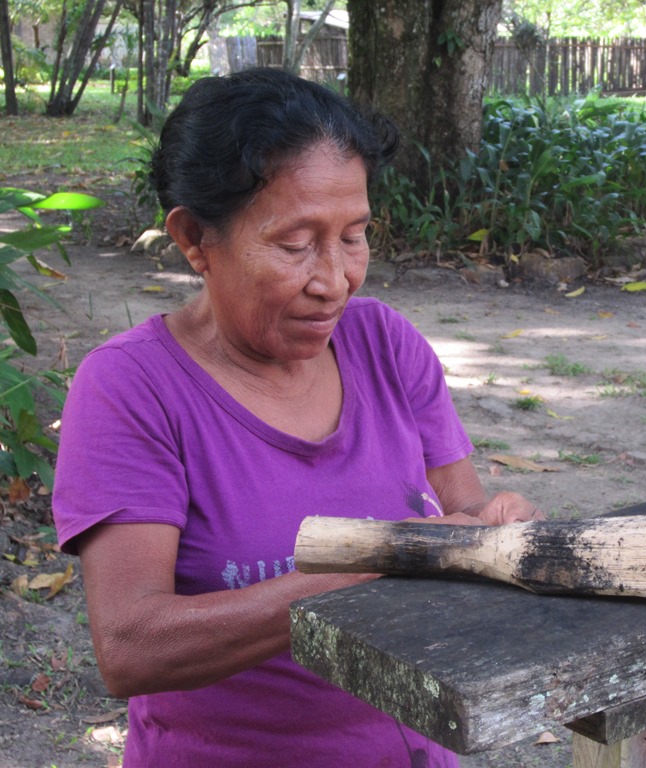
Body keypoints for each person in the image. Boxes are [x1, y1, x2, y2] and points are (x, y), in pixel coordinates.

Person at [52, 68, 543, 768]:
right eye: (294, 244)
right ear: (195, 239)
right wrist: (389, 558)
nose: (334, 278)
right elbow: (132, 645)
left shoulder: (384, 346)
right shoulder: (134, 389)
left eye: (354, 235)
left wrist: (493, 528)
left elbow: (461, 509)